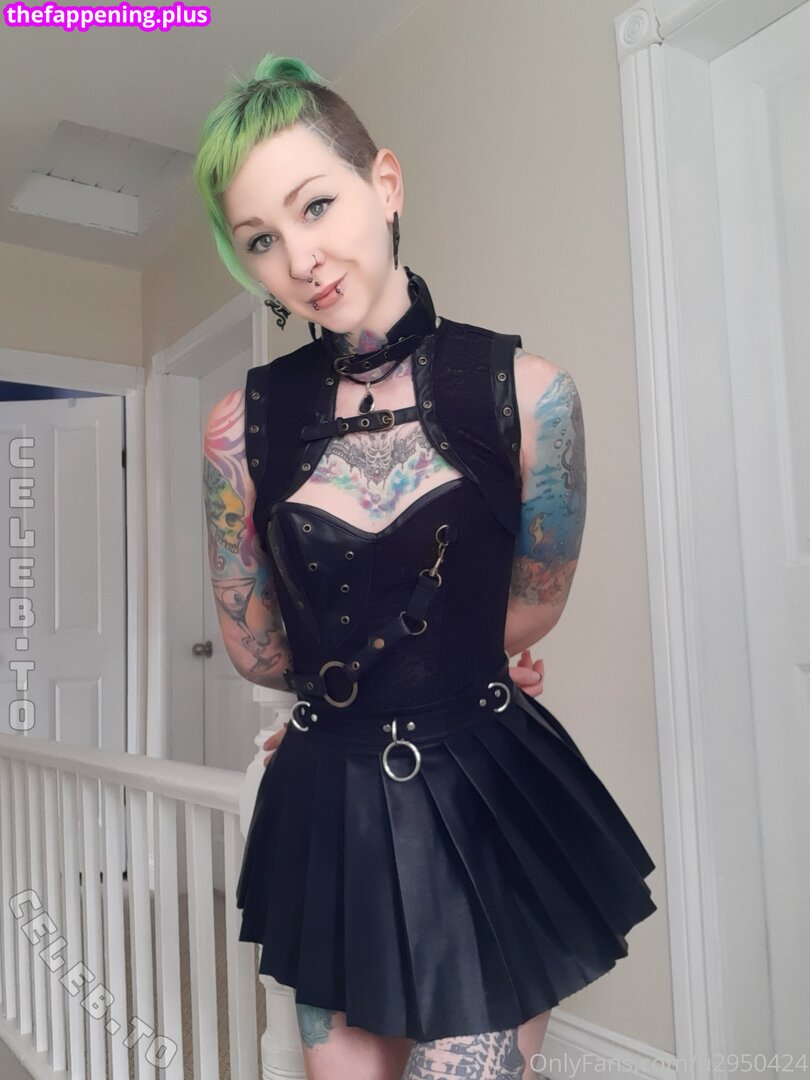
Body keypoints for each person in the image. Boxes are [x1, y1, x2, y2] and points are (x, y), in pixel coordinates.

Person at [196, 54, 656, 1080]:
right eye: (261, 239)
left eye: (316, 205)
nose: (300, 257)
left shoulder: (531, 395)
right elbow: (252, 646)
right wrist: (412, 673)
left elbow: (533, 604)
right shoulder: (236, 429)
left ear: (386, 184)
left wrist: (430, 672)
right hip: (329, 806)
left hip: (484, 792)